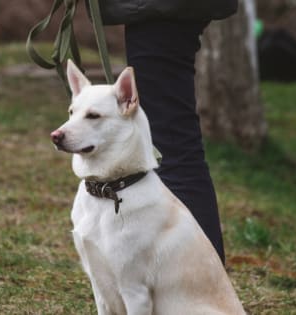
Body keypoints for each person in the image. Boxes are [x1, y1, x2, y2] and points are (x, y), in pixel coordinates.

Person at [98, 0, 238, 264]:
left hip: (161, 11)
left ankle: (202, 286)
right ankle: (193, 281)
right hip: (161, 10)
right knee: (172, 146)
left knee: (172, 150)